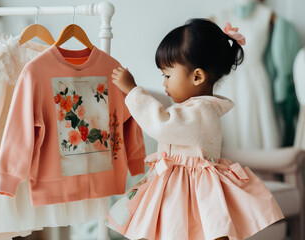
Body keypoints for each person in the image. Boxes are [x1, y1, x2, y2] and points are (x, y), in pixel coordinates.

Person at [105, 18, 284, 240]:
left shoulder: (201, 112)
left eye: (168, 75)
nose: (164, 83)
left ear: (197, 76)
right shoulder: (192, 108)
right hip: (176, 185)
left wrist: (133, 90)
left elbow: (162, 124)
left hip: (189, 190)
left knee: (192, 231)